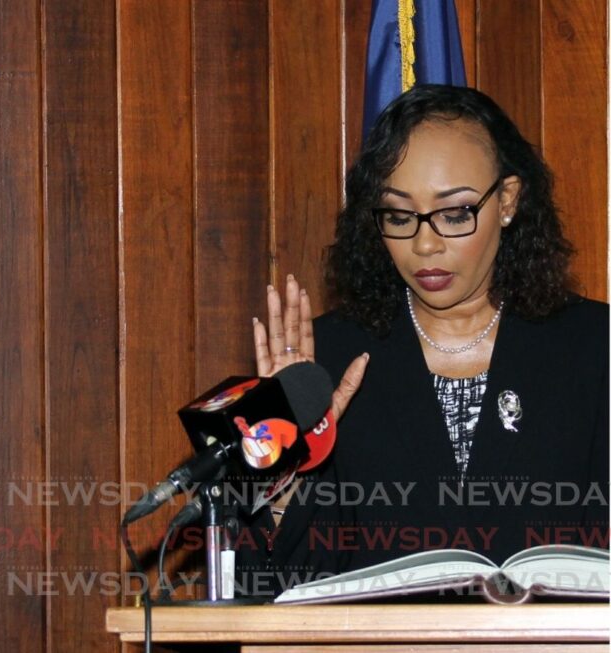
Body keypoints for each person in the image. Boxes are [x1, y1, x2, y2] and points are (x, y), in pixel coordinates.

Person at [248, 84, 608, 595]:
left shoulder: (595, 347)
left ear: (507, 201)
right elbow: (269, 588)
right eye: (399, 216)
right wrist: (283, 467)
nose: (425, 243)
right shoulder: (323, 360)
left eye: (455, 213)